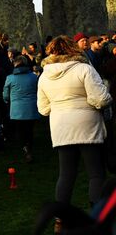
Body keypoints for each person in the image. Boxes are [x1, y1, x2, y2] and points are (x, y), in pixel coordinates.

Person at [37, 36, 112, 206]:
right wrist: (106, 97)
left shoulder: (44, 76)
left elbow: (43, 109)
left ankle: (60, 220)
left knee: (66, 174)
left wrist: (59, 106)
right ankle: (97, 215)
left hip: (60, 126)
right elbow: (100, 99)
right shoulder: (84, 69)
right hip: (87, 124)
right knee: (96, 173)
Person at [3, 55, 41, 162]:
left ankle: (24, 148)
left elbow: (6, 95)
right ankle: (29, 147)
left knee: (20, 130)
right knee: (30, 129)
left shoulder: (10, 78)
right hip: (31, 107)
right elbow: (38, 90)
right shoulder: (34, 77)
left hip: (17, 109)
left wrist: (7, 101)